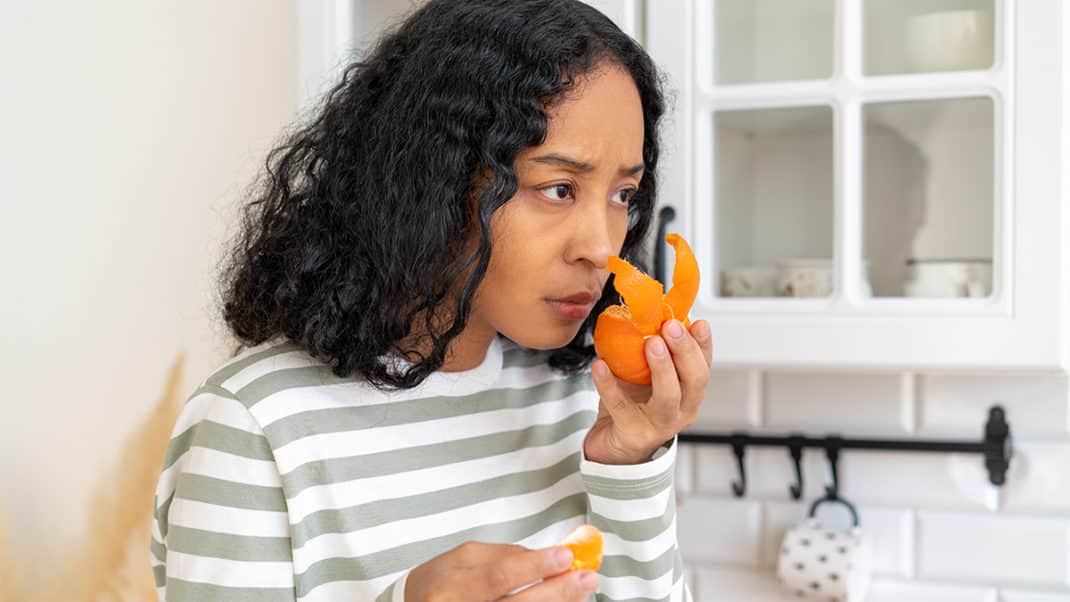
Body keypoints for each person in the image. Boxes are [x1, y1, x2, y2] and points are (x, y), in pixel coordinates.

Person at [150, 0, 711, 600]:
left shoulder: (582, 401)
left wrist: (631, 464)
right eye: (558, 188)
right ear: (436, 179)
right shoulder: (256, 426)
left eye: (623, 193)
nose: (603, 248)